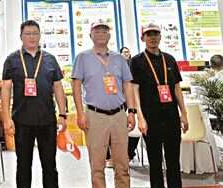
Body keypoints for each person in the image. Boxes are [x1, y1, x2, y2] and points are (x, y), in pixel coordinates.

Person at [1, 20, 67, 188]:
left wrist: (62, 114)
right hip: (22, 121)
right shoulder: (12, 60)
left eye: (35, 33)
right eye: (28, 34)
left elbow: (58, 87)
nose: (32, 37)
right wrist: (6, 118)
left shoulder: (50, 59)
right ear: (21, 36)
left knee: (50, 165)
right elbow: (6, 90)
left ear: (40, 35)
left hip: (47, 121)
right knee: (23, 166)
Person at [72, 22, 136, 188]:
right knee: (97, 165)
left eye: (104, 31)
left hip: (119, 115)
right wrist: (80, 113)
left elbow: (128, 84)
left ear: (109, 35)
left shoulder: (119, 58)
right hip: (95, 115)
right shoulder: (82, 58)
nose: (101, 34)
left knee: (122, 164)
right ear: (90, 35)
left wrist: (131, 111)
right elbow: (76, 86)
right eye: (97, 31)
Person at [130, 23, 189, 188]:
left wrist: (184, 114)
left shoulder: (169, 59)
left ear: (160, 36)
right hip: (150, 118)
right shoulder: (136, 61)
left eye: (155, 34)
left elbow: (176, 88)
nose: (153, 38)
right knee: (155, 162)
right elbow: (134, 90)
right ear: (143, 38)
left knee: (173, 161)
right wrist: (140, 117)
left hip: (171, 116)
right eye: (149, 34)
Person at [120, 46, 140, 161]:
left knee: (134, 128)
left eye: (128, 52)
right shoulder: (117, 66)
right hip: (121, 102)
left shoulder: (134, 65)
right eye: (124, 52)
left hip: (133, 101)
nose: (126, 54)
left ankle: (130, 153)